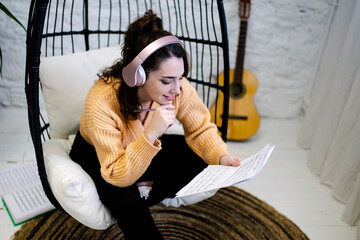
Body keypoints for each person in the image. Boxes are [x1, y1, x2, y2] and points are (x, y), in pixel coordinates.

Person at [69, 10, 241, 240]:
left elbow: (200, 129)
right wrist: (150, 133)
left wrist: (221, 156)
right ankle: (137, 195)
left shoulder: (177, 88)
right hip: (103, 158)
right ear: (137, 76)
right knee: (125, 197)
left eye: (180, 78)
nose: (177, 89)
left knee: (199, 156)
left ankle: (144, 189)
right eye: (167, 81)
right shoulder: (101, 102)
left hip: (140, 151)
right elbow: (116, 174)